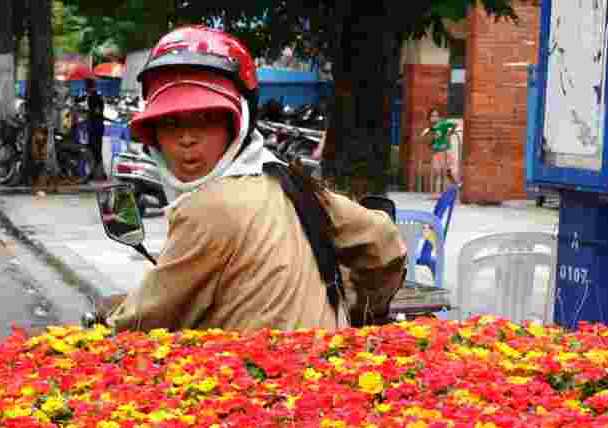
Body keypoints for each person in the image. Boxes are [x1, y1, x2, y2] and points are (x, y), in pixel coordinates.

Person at [98, 26, 406, 333]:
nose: (186, 138)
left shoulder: (207, 209)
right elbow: (384, 240)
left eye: (206, 118)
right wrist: (364, 310)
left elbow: (139, 321)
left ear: (238, 124)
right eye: (169, 122)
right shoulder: (290, 180)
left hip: (257, 377)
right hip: (321, 370)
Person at [421, 106, 459, 194]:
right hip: (437, 152)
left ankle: (452, 190)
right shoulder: (431, 128)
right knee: (437, 172)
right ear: (429, 118)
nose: (434, 118)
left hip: (445, 151)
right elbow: (429, 140)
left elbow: (454, 125)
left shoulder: (443, 124)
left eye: (436, 116)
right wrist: (430, 144)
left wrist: (449, 133)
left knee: (447, 172)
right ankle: (437, 193)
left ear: (439, 117)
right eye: (432, 116)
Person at [85, 78, 106, 179]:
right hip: (96, 126)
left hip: (95, 127)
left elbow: (97, 112)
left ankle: (97, 173)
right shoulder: (95, 96)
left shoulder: (95, 97)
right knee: (94, 149)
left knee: (95, 149)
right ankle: (97, 173)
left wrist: (89, 112)